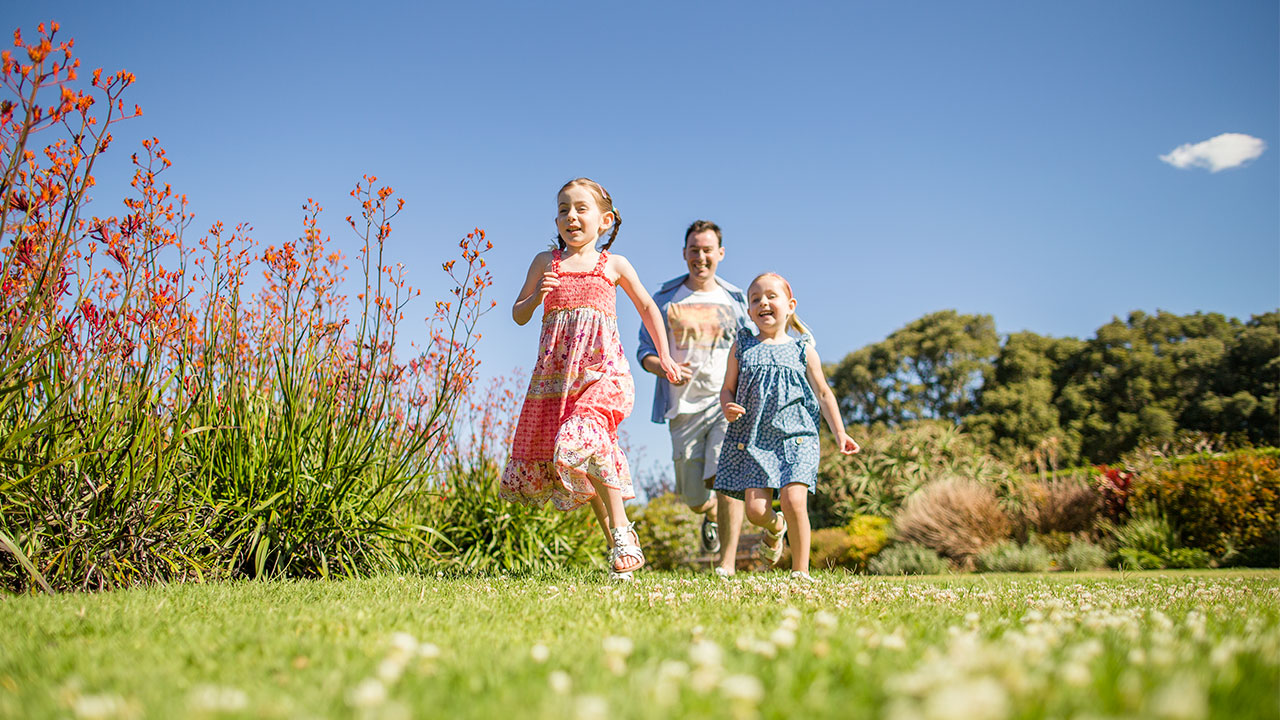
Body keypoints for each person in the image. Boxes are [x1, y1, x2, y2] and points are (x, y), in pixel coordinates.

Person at [500, 177, 680, 580]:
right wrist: (536, 295)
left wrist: (664, 354)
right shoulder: (546, 263)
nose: (571, 216)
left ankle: (622, 534)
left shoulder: (613, 264)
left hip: (604, 374)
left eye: (581, 208)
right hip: (557, 380)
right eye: (563, 209)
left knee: (584, 439)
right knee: (586, 462)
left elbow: (649, 307)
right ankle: (621, 547)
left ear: (605, 220)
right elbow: (518, 313)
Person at [714, 272, 860, 581]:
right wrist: (727, 405)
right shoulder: (742, 347)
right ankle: (776, 526)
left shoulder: (803, 350)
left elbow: (823, 393)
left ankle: (800, 571)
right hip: (754, 439)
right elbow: (727, 388)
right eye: (755, 299)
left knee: (795, 500)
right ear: (749, 310)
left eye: (771, 296)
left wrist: (840, 432)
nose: (763, 303)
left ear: (790, 306)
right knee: (755, 511)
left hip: (797, 437)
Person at [637, 220, 750, 569]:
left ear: (720, 253)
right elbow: (644, 352)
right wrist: (665, 366)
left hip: (724, 403)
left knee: (728, 478)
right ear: (684, 254)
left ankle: (726, 564)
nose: (700, 257)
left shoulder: (736, 301)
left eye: (707, 250)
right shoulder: (666, 299)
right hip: (682, 406)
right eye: (694, 250)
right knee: (693, 497)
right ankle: (709, 512)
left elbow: (750, 349)